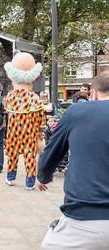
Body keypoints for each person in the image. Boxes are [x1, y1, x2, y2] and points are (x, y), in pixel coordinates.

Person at [38, 71, 109, 249]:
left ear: (93, 93)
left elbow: (53, 149)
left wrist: (43, 175)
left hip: (87, 217)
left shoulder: (78, 111)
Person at [4, 52, 45, 190]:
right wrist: (40, 132)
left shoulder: (10, 97)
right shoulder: (34, 98)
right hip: (29, 133)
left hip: (13, 132)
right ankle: (29, 182)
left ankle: (10, 177)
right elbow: (41, 118)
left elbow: (7, 112)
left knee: (12, 155)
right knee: (29, 157)